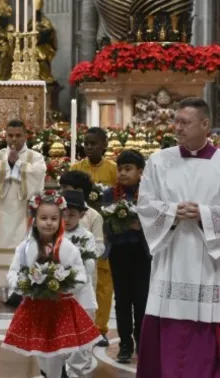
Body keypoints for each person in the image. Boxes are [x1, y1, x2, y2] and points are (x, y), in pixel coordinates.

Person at [136, 97, 220, 378]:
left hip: (209, 261)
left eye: (185, 123)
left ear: (205, 125)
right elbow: (145, 206)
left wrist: (205, 214)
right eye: (177, 121)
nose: (177, 128)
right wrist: (172, 212)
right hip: (171, 257)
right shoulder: (159, 161)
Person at [3, 191, 99, 378]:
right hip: (35, 308)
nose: (49, 223)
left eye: (54, 218)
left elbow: (80, 273)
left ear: (60, 220)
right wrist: (23, 284)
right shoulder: (25, 247)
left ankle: (59, 374)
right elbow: (13, 272)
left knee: (59, 352)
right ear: (35, 219)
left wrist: (63, 283)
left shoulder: (68, 247)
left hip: (60, 309)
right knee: (42, 352)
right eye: (44, 218)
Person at [0, 119, 46, 304]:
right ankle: (2, 289)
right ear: (5, 135)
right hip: (0, 213)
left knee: (23, 249)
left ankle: (20, 289)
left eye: (18, 136)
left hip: (23, 213)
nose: (14, 140)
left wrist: (18, 165)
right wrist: (8, 165)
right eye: (10, 135)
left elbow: (38, 175)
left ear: (26, 136)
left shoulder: (35, 157)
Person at [69, 127, 116, 347]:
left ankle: (100, 328)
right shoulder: (76, 168)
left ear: (104, 145)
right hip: (79, 230)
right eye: (86, 143)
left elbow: (116, 200)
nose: (89, 147)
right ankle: (78, 325)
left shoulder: (113, 170)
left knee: (104, 282)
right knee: (79, 280)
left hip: (104, 231)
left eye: (94, 143)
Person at [102, 149, 149, 364]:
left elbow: (157, 222)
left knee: (141, 300)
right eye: (120, 169)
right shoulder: (109, 195)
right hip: (119, 253)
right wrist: (115, 225)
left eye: (128, 169)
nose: (122, 173)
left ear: (140, 172)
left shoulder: (149, 194)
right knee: (121, 301)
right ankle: (124, 344)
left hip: (142, 254)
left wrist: (139, 225)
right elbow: (104, 223)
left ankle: (141, 341)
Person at [61, 190, 98, 377]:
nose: (66, 219)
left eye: (72, 215)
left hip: (82, 295)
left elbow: (89, 265)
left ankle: (77, 371)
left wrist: (70, 278)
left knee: (82, 336)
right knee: (61, 334)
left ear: (82, 215)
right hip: (58, 296)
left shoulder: (87, 237)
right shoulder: (53, 235)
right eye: (64, 214)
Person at [59, 171, 105, 287]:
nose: (61, 191)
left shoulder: (94, 216)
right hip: (59, 271)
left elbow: (99, 247)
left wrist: (81, 253)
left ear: (79, 190)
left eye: (65, 187)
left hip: (85, 274)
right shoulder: (58, 211)